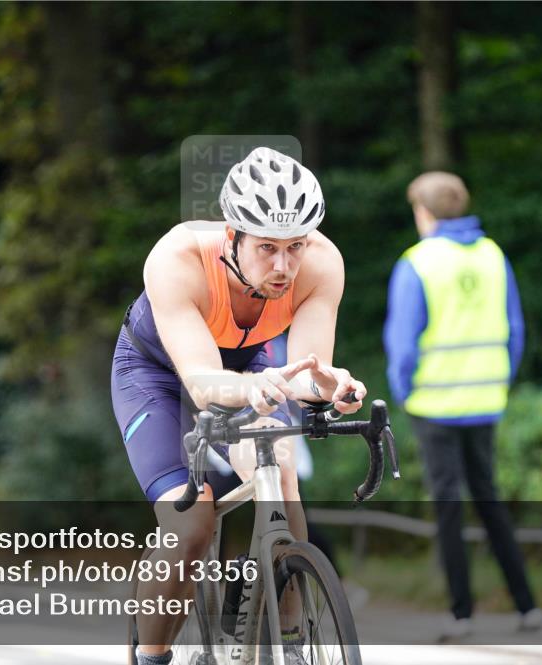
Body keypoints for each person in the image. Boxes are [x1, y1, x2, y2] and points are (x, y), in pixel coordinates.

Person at [111, 147, 367, 665]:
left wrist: (331, 385)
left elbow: (308, 371)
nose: (283, 266)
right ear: (233, 236)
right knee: (191, 523)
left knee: (284, 476)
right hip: (158, 375)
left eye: (295, 246)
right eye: (267, 247)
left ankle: (290, 644)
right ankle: (152, 656)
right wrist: (255, 389)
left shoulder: (322, 263)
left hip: (250, 366)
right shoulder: (178, 258)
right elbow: (203, 384)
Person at [383, 171, 542, 640]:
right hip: (486, 398)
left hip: (434, 403)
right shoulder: (493, 255)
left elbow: (403, 343)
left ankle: (461, 613)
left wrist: (403, 391)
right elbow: (515, 330)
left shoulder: (418, 262)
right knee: (489, 500)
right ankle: (527, 606)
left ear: (424, 212)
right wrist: (500, 380)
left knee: (448, 506)